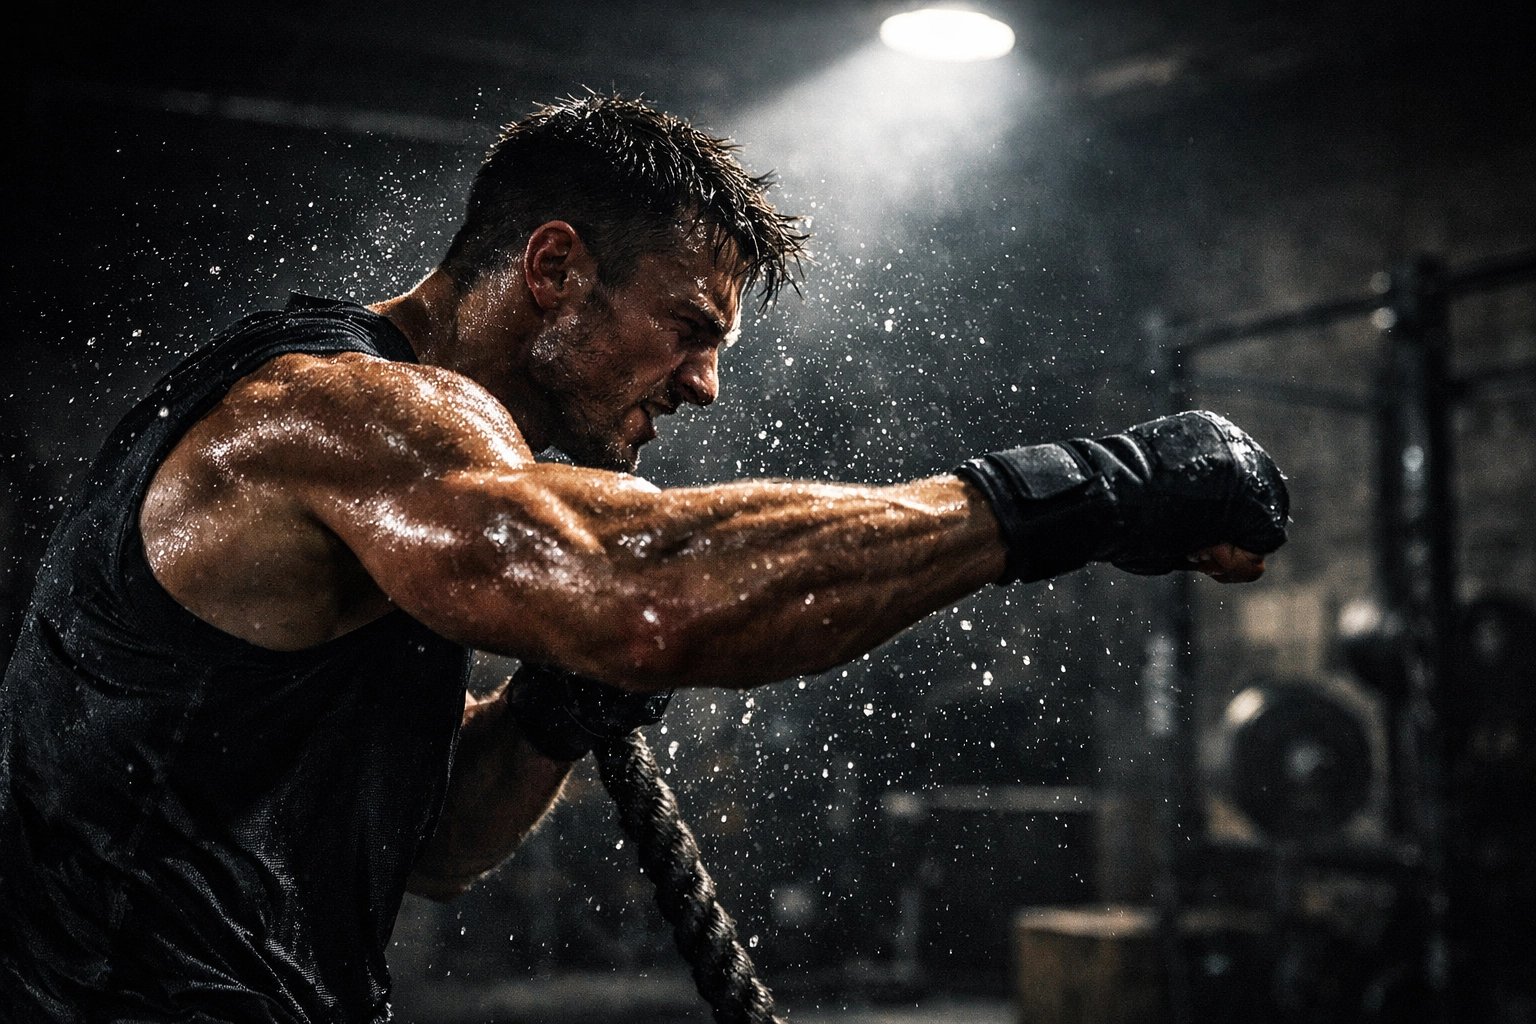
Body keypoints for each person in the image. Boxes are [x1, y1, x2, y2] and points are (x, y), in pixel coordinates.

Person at [0, 93, 1287, 1023]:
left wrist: (551, 719)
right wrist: (1086, 495)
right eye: (689, 326)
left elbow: (433, 844)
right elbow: (646, 605)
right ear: (554, 266)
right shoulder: (344, 412)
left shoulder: (412, 501)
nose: (708, 385)